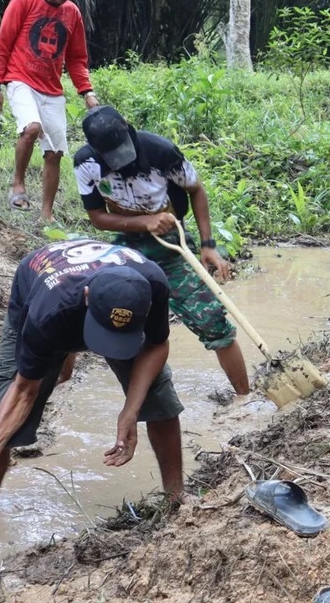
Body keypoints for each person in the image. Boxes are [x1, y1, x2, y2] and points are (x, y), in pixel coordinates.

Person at [0, 240, 185, 509]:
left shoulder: (153, 283)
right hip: (43, 289)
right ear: (86, 296)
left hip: (79, 298)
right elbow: (25, 389)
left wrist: (130, 411)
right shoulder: (47, 313)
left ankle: (176, 500)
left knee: (160, 399)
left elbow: (156, 345)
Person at [68, 105, 249, 396]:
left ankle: (244, 397)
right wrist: (143, 221)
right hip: (128, 245)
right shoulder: (85, 164)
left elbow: (196, 190)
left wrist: (207, 245)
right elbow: (98, 218)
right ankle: (119, 388)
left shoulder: (162, 153)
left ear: (130, 130)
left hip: (173, 246)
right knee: (106, 310)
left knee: (212, 321)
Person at [0, 0, 99, 224]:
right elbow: (3, 44)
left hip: (52, 89)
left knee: (55, 152)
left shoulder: (72, 13)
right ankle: (17, 185)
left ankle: (46, 216)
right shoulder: (23, 2)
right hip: (20, 79)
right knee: (31, 128)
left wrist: (87, 92)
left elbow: (76, 59)